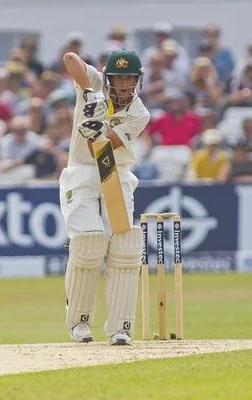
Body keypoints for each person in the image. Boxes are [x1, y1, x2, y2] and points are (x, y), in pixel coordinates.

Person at [59, 49, 150, 346]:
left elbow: (103, 147)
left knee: (124, 245)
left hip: (115, 171)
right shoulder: (96, 84)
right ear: (108, 77)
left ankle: (121, 327)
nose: (123, 84)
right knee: (88, 242)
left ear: (138, 80)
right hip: (82, 172)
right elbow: (70, 59)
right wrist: (89, 95)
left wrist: (98, 127)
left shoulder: (139, 113)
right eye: (118, 77)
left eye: (129, 78)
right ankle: (79, 321)